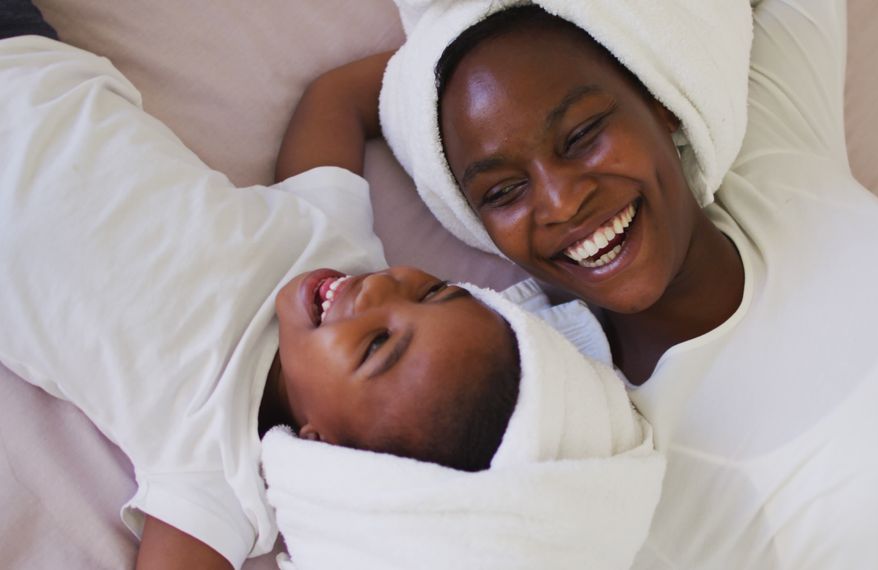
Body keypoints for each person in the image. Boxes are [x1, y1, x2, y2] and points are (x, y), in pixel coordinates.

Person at [333, 0, 878, 566]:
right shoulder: (593, 439)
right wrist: (408, 80)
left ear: (661, 104)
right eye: (501, 191)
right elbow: (320, 310)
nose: (561, 203)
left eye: (583, 133)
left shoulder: (778, 161)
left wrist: (464, 31)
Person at [0, 3, 523, 568]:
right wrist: (472, 58)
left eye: (376, 346)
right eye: (431, 292)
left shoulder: (223, 478)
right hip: (26, 61)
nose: (376, 293)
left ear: (321, 443)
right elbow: (336, 100)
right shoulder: (334, 245)